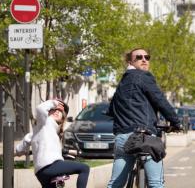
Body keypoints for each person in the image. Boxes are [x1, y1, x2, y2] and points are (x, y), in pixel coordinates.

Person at [107, 47, 182, 188]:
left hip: (123, 138)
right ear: (130, 61)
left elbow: (111, 110)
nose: (144, 60)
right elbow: (160, 100)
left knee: (115, 183)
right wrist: (175, 122)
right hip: (143, 137)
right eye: (139, 57)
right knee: (156, 183)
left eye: (147, 57)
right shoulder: (143, 76)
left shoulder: (122, 83)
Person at [16, 99, 90, 188]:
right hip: (51, 166)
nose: (57, 111)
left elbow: (24, 142)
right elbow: (40, 108)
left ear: (62, 117)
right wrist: (54, 103)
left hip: (41, 173)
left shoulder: (40, 130)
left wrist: (18, 152)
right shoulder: (45, 121)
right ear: (48, 112)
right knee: (84, 168)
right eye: (54, 109)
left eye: (60, 111)